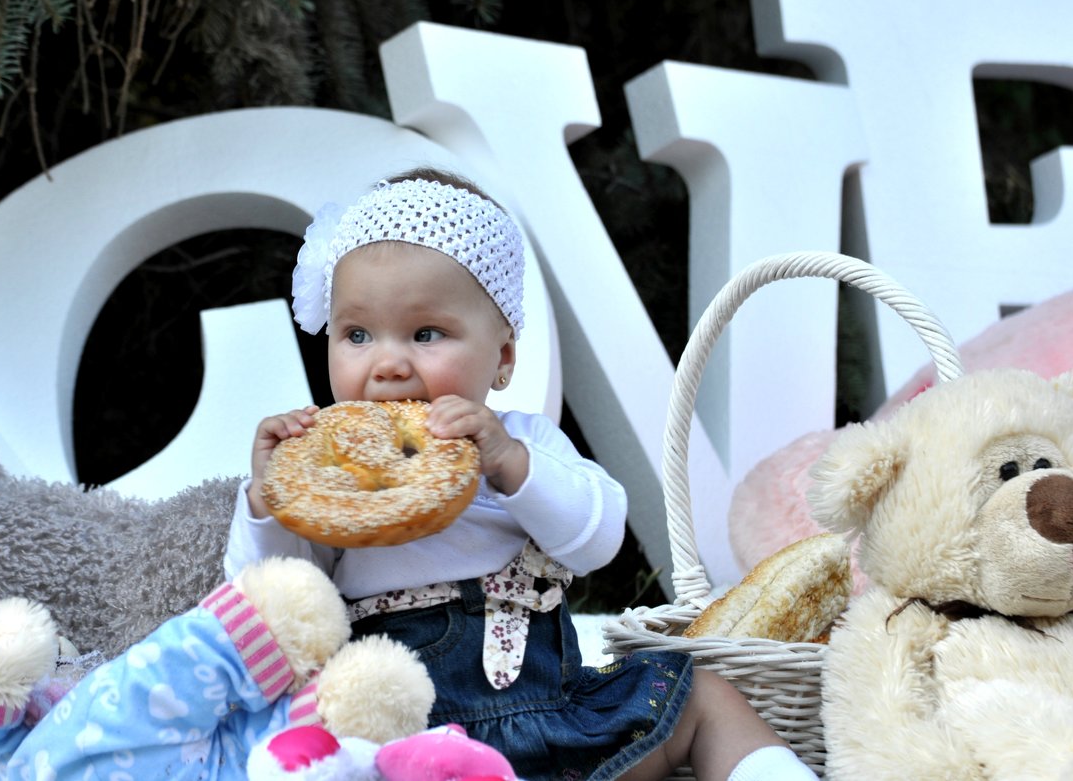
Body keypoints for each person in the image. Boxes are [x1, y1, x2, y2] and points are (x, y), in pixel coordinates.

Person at [223, 167, 818, 781]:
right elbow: (268, 596)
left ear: (503, 357)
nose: (389, 364)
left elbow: (597, 540)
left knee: (701, 695)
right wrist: (268, 502)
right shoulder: (336, 479)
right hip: (409, 744)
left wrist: (510, 465)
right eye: (356, 334)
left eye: (426, 333)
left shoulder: (521, 441)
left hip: (556, 718)